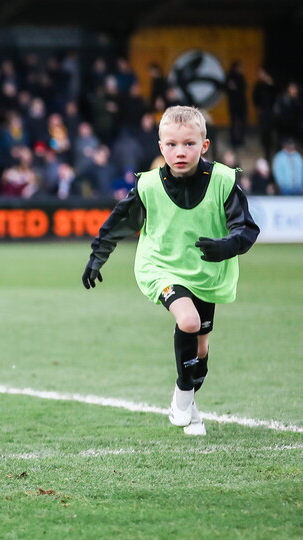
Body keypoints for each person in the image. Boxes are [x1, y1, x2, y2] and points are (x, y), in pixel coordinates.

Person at [81, 106, 259, 436]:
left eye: (189, 144)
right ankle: (182, 394)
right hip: (160, 266)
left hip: (205, 273)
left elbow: (246, 229)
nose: (180, 151)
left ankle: (190, 407)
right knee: (188, 321)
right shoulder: (149, 185)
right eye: (172, 144)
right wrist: (97, 257)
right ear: (161, 147)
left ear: (204, 145)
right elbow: (118, 223)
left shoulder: (222, 181)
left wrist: (226, 246)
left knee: (201, 350)